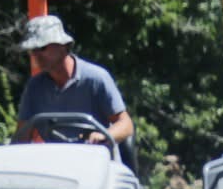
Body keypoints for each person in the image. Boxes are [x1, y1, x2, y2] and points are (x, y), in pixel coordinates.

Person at [11, 13, 135, 162]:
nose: (36, 55)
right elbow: (21, 138)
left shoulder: (96, 78)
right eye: (32, 50)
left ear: (64, 46)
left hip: (98, 166)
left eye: (42, 47)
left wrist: (103, 135)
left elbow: (126, 125)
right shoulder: (35, 87)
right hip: (59, 170)